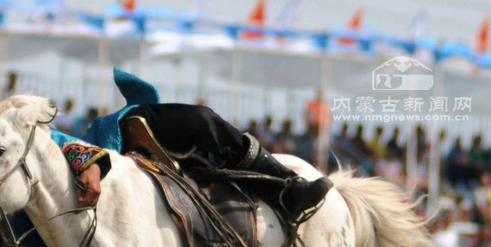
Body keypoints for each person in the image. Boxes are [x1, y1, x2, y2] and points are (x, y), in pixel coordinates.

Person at [81, 69, 332, 220]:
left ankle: (281, 193)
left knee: (210, 156)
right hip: (118, 137)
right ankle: (289, 189)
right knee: (203, 120)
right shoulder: (125, 120)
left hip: (114, 142)